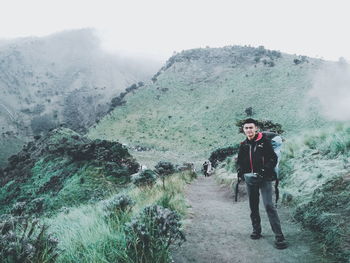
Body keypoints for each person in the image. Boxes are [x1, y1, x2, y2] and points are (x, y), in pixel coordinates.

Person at [236, 118, 288, 249]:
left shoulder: (264, 142)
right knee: (253, 206)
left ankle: (279, 236)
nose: (249, 130)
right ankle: (256, 231)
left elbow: (273, 158)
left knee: (269, 206)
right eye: (246, 128)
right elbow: (240, 162)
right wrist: (241, 172)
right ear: (244, 130)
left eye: (251, 127)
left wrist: (263, 171)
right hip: (250, 180)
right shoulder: (243, 145)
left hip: (264, 178)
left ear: (256, 128)